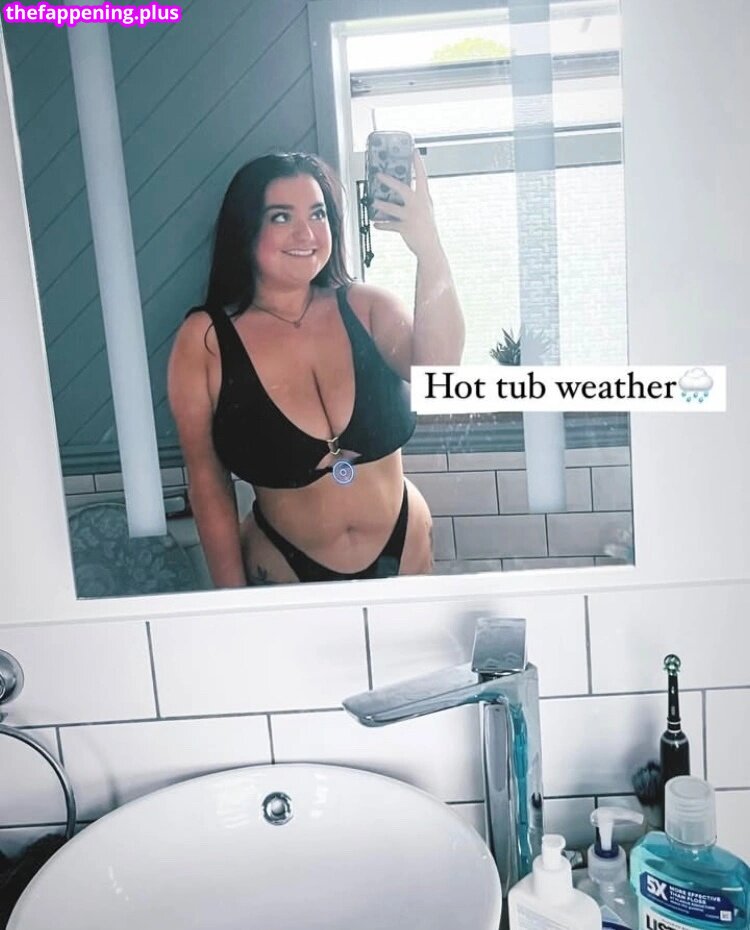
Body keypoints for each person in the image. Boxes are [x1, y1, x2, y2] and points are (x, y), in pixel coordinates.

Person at [168, 151, 464, 586]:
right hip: (284, 563)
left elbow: (441, 372)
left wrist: (428, 246)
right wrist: (231, 601)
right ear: (246, 229)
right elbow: (209, 482)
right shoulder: (206, 341)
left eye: (318, 213)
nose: (306, 232)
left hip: (405, 547)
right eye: (281, 216)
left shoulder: (368, 307)